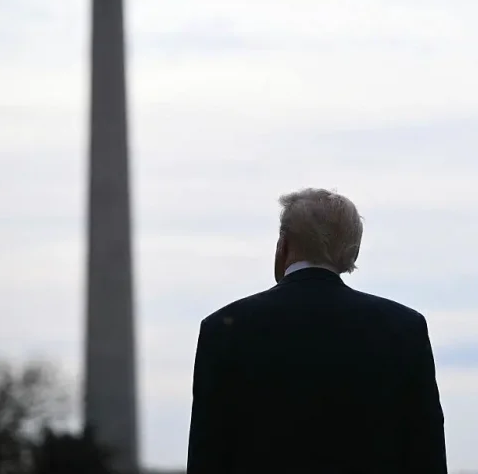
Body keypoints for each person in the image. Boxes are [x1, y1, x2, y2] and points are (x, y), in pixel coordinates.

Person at [187, 188, 447, 474]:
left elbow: (208, 455)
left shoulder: (224, 329)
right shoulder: (405, 330)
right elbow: (426, 455)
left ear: (282, 245)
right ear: (352, 252)